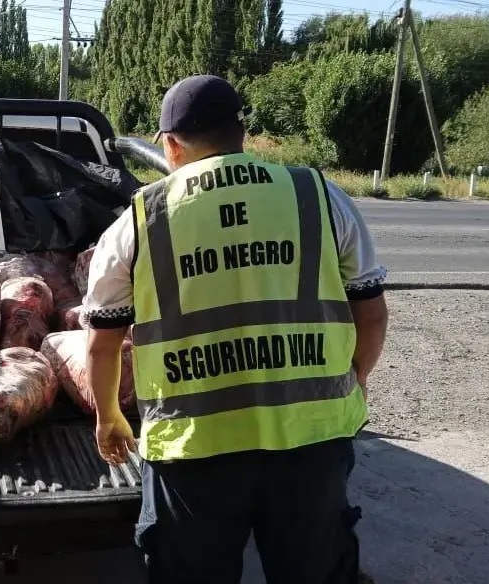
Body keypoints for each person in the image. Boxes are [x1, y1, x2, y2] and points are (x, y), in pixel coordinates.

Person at [80, 74, 389, 584]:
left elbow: (103, 341)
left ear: (171, 145)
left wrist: (110, 416)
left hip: (193, 448)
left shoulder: (139, 219)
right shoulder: (318, 195)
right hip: (310, 442)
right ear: (240, 133)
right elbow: (372, 312)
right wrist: (355, 376)